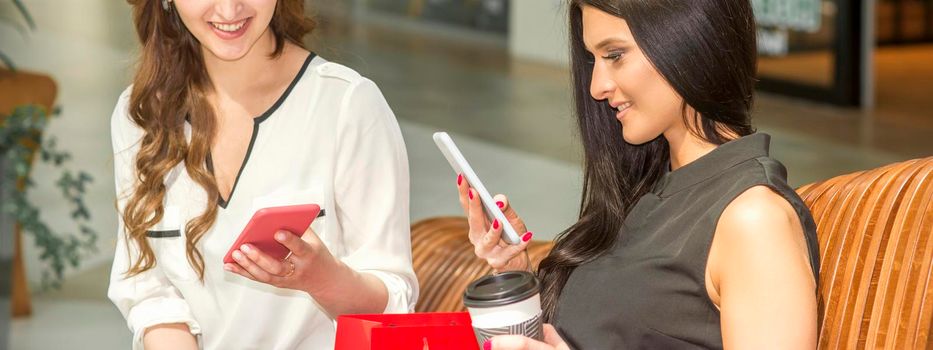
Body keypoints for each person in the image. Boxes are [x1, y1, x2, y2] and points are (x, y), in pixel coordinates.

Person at [457, 1, 820, 349]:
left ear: (689, 39)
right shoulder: (650, 189)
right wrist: (518, 274)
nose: (596, 86)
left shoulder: (754, 220)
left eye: (615, 55)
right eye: (593, 59)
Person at [107, 1, 417, 349]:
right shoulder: (141, 113)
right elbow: (150, 294)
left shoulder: (347, 104)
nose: (229, 9)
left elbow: (394, 302)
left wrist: (323, 279)